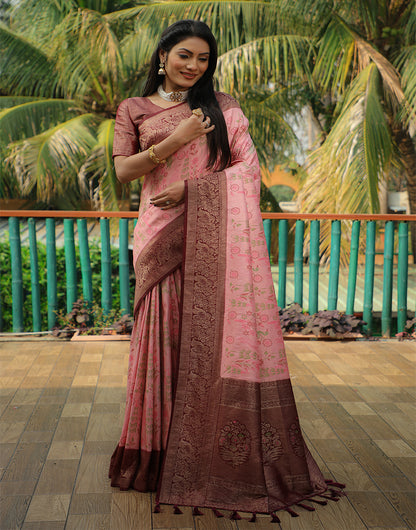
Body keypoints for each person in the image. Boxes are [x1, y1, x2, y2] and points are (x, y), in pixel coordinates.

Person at [109, 19, 344, 522]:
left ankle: (203, 455)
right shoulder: (134, 109)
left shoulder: (225, 107)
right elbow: (125, 171)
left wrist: (194, 192)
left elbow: (249, 172)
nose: (193, 66)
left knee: (210, 344)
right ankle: (152, 459)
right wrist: (178, 139)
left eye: (203, 60)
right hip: (159, 237)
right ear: (163, 54)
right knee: (162, 345)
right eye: (185, 56)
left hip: (213, 237)